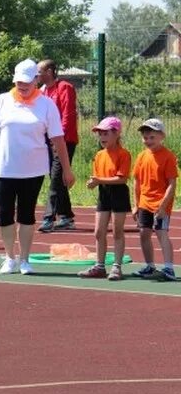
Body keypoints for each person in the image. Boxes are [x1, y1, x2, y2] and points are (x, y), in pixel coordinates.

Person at [0, 59, 74, 275]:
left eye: (27, 82)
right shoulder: (2, 101)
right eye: (19, 82)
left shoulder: (46, 104)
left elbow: (58, 139)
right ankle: (10, 257)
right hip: (5, 168)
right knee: (4, 215)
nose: (22, 86)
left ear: (36, 80)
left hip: (33, 169)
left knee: (27, 215)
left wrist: (67, 170)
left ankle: (25, 259)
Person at [77, 117, 131, 281]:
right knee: (99, 232)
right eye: (100, 133)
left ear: (117, 133)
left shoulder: (123, 154)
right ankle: (99, 266)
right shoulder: (99, 155)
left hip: (119, 194)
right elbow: (97, 177)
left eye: (106, 133)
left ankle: (116, 267)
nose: (102, 137)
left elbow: (122, 179)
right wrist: (93, 183)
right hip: (104, 193)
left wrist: (99, 180)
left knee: (117, 231)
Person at [131, 118, 177, 281]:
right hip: (144, 203)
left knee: (161, 232)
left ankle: (169, 268)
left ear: (161, 136)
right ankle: (150, 266)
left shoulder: (168, 156)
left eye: (152, 137)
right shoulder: (141, 156)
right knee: (144, 233)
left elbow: (172, 183)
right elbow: (136, 181)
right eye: (145, 137)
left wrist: (163, 205)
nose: (148, 140)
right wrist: (136, 205)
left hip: (160, 204)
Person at [37, 59, 79, 232]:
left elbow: (68, 115)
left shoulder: (64, 87)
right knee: (58, 177)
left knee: (56, 177)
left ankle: (48, 218)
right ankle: (67, 216)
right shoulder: (41, 91)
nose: (36, 74)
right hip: (47, 141)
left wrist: (57, 139)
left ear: (49, 71)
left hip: (64, 140)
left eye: (39, 71)